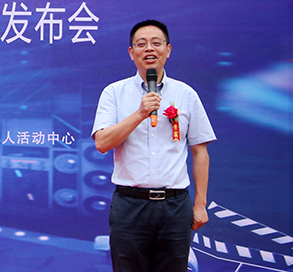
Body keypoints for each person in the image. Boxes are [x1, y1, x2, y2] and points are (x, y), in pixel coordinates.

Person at [91, 19, 216, 272]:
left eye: (156, 43)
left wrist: (200, 204)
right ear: (131, 52)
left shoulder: (186, 94)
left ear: (168, 50)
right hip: (130, 205)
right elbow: (102, 143)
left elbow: (200, 152)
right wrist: (140, 113)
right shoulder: (114, 93)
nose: (149, 49)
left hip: (175, 206)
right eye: (141, 44)